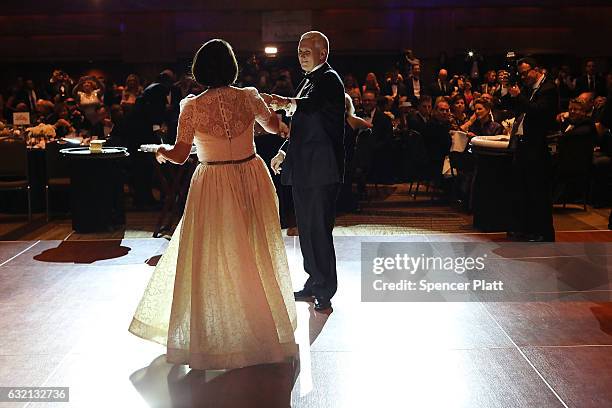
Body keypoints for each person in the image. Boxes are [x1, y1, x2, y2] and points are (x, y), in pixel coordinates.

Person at [129, 39, 297, 369]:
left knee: (211, 253)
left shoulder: (191, 106)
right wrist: (279, 111)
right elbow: (277, 129)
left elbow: (179, 155)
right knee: (255, 249)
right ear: (232, 66)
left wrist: (160, 152)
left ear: (200, 70)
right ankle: (260, 327)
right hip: (251, 174)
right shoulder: (249, 96)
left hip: (213, 181)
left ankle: (215, 334)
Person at [265, 31, 345, 312]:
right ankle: (314, 281)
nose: (301, 55)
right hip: (303, 167)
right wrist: (283, 152)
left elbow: (312, 108)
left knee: (319, 230)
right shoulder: (307, 81)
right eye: (299, 51)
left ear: (322, 53)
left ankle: (325, 288)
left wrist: (285, 102)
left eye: (306, 51)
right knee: (307, 230)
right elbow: (301, 125)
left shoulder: (329, 79)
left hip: (321, 168)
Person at [507, 57, 559, 242]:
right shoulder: (530, 89)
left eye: (525, 73)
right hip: (525, 144)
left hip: (537, 146)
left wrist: (519, 96)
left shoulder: (548, 88)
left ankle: (541, 232)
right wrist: (515, 96)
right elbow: (521, 109)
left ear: (536, 69)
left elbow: (538, 111)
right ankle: (524, 228)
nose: (523, 77)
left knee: (537, 190)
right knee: (523, 188)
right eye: (520, 74)